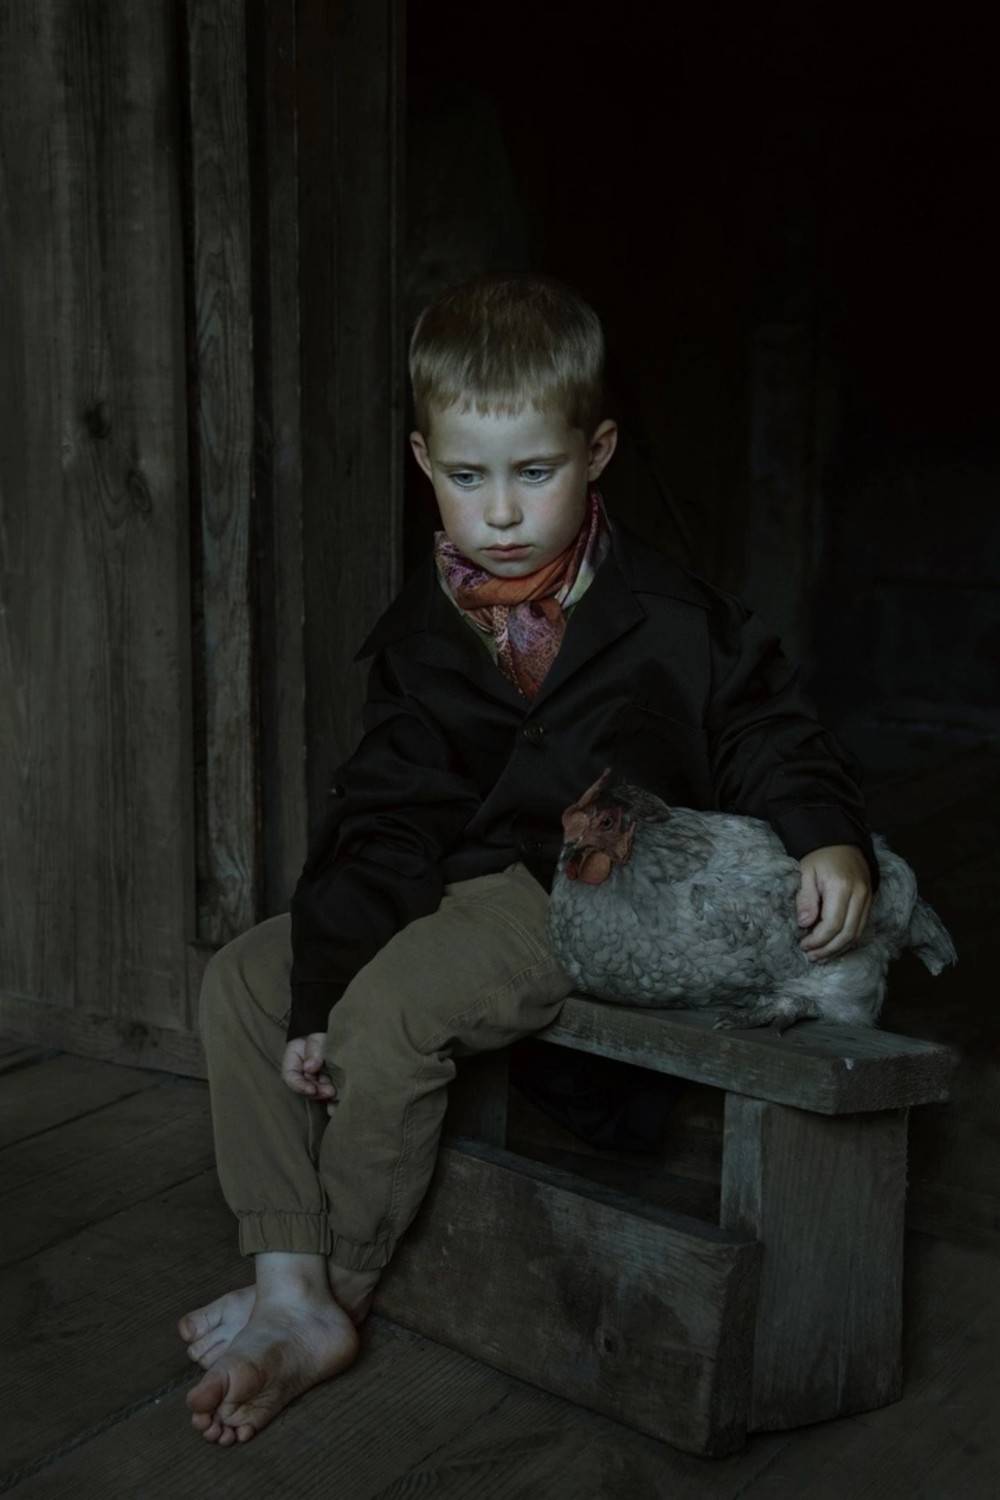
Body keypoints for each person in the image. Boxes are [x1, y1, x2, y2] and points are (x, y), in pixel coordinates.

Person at [178, 271, 878, 1446]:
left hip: (582, 884)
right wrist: (314, 986)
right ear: (424, 462)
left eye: (534, 473)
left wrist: (828, 835)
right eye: (467, 478)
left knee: (392, 1012)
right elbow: (386, 815)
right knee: (243, 980)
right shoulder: (425, 631)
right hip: (446, 876)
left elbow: (766, 726)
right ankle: (286, 1272)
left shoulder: (668, 615)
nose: (499, 512)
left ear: (596, 452)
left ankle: (336, 1290)